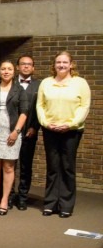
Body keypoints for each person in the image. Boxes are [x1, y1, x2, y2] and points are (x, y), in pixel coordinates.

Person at [36, 51, 90, 218]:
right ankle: (50, 203)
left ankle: (66, 205)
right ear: (54, 65)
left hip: (71, 131)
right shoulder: (46, 82)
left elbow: (84, 106)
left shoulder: (80, 83)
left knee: (67, 167)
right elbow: (40, 105)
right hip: (50, 129)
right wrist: (45, 123)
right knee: (52, 167)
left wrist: (70, 124)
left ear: (71, 64)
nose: (61, 65)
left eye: (65, 62)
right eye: (58, 62)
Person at [0, 60, 28, 216]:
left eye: (9, 69)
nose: (6, 71)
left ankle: (5, 200)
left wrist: (16, 131)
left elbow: (24, 112)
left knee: (9, 167)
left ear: (14, 71)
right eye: (3, 69)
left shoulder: (19, 90)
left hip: (12, 133)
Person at [13, 54, 41, 210]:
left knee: (25, 166)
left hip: (29, 131)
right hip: (11, 132)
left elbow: (42, 108)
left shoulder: (40, 85)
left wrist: (34, 127)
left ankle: (23, 196)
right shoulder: (9, 83)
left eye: (29, 64)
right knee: (9, 166)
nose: (25, 66)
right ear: (18, 67)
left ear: (33, 67)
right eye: (23, 64)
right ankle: (10, 195)